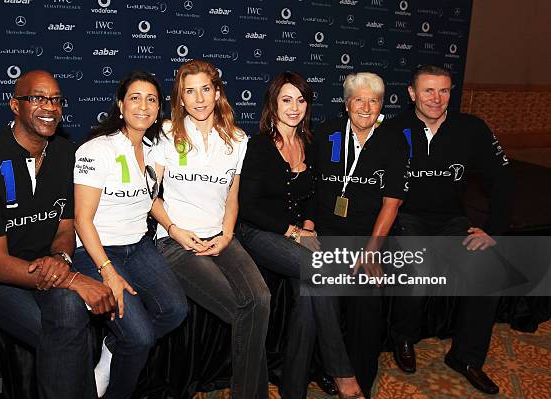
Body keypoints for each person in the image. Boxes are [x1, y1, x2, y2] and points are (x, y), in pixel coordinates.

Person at [0, 70, 115, 399]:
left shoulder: (67, 154)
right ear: (14, 105)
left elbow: (65, 226)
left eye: (56, 100)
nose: (50, 107)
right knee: (65, 335)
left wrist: (61, 259)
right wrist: (71, 279)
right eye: (38, 98)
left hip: (49, 265)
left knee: (68, 317)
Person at [386, 65, 513, 395]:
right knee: (418, 267)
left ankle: (466, 359)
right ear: (412, 94)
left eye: (443, 91)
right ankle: (403, 337)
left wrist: (493, 231)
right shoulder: (393, 128)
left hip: (452, 221)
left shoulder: (471, 128)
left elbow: (502, 180)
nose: (436, 98)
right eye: (428, 90)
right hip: (407, 217)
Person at [237, 71, 364, 399]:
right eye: (286, 99)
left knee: (310, 294)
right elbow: (247, 207)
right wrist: (292, 231)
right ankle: (342, 371)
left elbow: (313, 197)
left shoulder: (310, 143)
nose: (294, 107)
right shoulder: (260, 146)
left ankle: (294, 388)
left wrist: (308, 225)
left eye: (301, 99)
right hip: (260, 233)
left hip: (297, 234)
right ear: (272, 104)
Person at [152, 60, 271, 399]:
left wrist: (227, 235)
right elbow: (149, 196)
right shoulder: (165, 133)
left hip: (221, 237)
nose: (199, 99)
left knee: (260, 298)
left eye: (206, 89)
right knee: (244, 311)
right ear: (181, 98)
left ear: (217, 93)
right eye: (190, 91)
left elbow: (232, 197)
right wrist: (174, 230)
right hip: (176, 242)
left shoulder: (237, 138)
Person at [72, 70, 188, 399]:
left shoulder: (154, 149)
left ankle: (113, 345)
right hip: (96, 249)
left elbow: (150, 199)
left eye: (151, 99)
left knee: (176, 311)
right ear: (121, 106)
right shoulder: (97, 150)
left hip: (138, 245)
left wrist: (179, 229)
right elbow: (82, 219)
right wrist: (107, 271)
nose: (143, 106)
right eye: (134, 98)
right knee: (138, 338)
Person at [313, 72, 409, 398]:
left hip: (368, 235)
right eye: (359, 99)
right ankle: (328, 371)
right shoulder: (327, 134)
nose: (366, 107)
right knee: (322, 295)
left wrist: (371, 251)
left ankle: (361, 379)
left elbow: (392, 202)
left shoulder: (393, 139)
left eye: (374, 100)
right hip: (325, 234)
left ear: (382, 104)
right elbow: (308, 189)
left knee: (365, 298)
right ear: (347, 103)